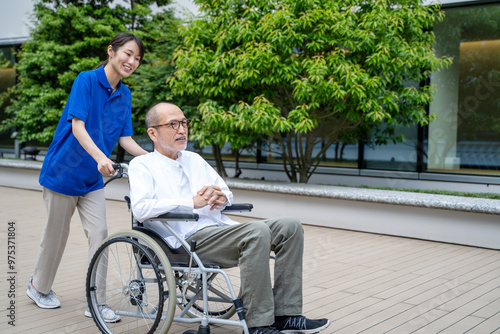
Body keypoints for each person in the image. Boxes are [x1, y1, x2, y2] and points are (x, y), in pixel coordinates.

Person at [128, 102, 330, 334]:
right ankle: (259, 324)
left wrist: (221, 197)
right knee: (257, 231)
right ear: (152, 133)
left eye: (184, 123)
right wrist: (190, 203)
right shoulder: (142, 165)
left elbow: (226, 192)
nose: (182, 130)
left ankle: (286, 314)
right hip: (184, 240)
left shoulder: (194, 159)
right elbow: (141, 209)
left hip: (219, 229)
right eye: (173, 124)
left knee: (290, 226)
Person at [27, 32, 149, 323]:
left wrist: (152, 159)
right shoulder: (86, 80)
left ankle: (96, 299)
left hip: (92, 179)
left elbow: (125, 138)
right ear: (111, 51)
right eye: (127, 54)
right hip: (63, 173)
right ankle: (38, 287)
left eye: (137, 58)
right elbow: (78, 127)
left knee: (100, 235)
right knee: (56, 237)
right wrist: (102, 159)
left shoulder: (125, 94)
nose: (132, 61)